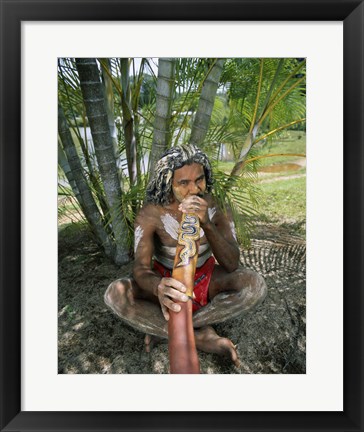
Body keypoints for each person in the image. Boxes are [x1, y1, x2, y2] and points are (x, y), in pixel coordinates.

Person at [105, 144, 267, 366]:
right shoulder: (151, 213)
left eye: (199, 180)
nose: (194, 189)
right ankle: (200, 335)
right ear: (167, 182)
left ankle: (170, 329)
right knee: (116, 293)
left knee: (253, 284)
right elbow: (141, 268)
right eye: (183, 183)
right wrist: (158, 286)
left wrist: (207, 224)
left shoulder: (215, 206)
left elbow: (231, 263)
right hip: (168, 282)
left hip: (207, 280)